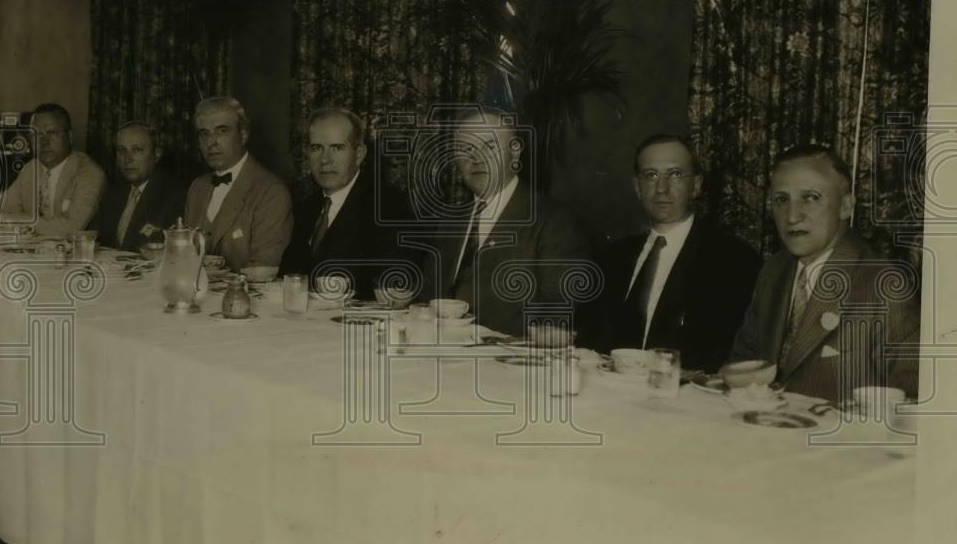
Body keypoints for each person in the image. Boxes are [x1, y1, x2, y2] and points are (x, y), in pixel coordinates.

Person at [729, 144, 920, 401]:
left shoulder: (884, 285)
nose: (792, 216)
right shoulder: (774, 270)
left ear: (845, 207)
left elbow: (914, 401)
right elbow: (745, 363)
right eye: (781, 199)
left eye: (811, 197)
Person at [578, 135, 760, 372]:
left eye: (675, 174)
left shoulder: (733, 260)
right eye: (651, 175)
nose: (662, 188)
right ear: (637, 187)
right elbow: (589, 339)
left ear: (696, 185)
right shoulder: (612, 257)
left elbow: (726, 354)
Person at [420, 106, 590, 337]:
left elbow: (557, 313)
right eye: (466, 149)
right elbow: (427, 296)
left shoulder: (555, 221)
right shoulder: (451, 220)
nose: (477, 159)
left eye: (489, 147)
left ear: (515, 152)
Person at [278, 108, 412, 298]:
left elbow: (390, 292)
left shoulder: (388, 208)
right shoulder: (308, 206)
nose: (325, 160)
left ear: (359, 154)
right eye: (317, 148)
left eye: (337, 148)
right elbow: (288, 276)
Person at [183, 96, 293, 271]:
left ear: (243, 135)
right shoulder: (198, 187)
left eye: (221, 131)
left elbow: (263, 271)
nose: (211, 143)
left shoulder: (272, 192)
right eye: (204, 134)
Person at [0, 102, 107, 237]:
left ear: (69, 136)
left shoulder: (90, 173)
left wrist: (3, 217)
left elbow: (70, 228)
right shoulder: (31, 168)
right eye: (37, 134)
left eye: (51, 132)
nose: (44, 141)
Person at [91, 121, 185, 252]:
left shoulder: (174, 195)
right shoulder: (113, 193)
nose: (128, 159)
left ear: (156, 154)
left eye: (137, 150)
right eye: (121, 150)